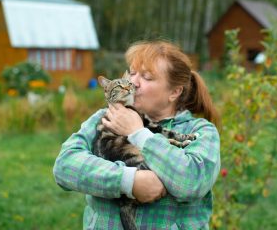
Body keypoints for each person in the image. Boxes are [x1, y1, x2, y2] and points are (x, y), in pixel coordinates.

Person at [53, 40, 221, 229]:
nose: (133, 82)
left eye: (147, 77)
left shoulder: (200, 131)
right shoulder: (108, 116)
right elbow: (64, 166)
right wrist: (128, 181)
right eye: (132, 73)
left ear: (174, 92)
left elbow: (191, 182)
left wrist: (138, 133)